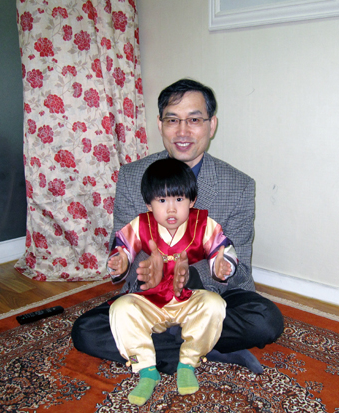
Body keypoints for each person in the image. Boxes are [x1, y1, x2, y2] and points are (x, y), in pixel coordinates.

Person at [72, 78, 284, 376]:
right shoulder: (133, 176)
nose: (182, 131)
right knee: (85, 331)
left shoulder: (239, 185)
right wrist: (134, 267)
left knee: (266, 321)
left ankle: (161, 346)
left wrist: (191, 276)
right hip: (151, 297)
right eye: (173, 120)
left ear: (211, 125)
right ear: (160, 125)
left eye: (194, 120)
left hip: (213, 296)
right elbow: (122, 246)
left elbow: (240, 270)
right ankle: (205, 346)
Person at [108, 158, 238, 405]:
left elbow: (221, 249)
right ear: (149, 204)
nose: (171, 209)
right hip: (151, 300)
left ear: (192, 201)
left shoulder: (203, 224)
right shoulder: (141, 224)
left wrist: (222, 266)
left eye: (179, 199)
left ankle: (188, 362)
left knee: (214, 304)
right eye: (162, 201)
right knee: (119, 309)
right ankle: (146, 369)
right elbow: (122, 247)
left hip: (188, 298)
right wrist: (121, 261)